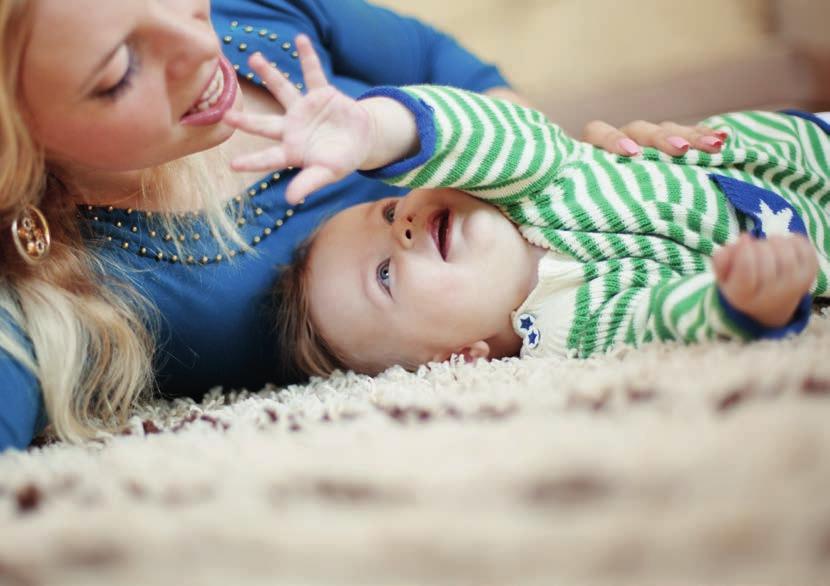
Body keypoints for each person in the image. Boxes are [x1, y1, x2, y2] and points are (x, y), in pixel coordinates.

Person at [0, 0, 726, 452]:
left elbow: (449, 71)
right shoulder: (64, 291)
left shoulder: (251, 14)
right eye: (121, 69)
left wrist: (585, 170)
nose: (199, 42)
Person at [242, 38, 830, 379]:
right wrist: (743, 301)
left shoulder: (532, 177)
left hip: (802, 148)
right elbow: (663, 316)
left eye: (391, 211)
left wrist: (374, 133)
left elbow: (479, 129)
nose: (406, 226)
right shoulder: (565, 328)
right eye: (386, 275)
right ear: (456, 360)